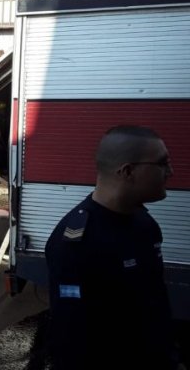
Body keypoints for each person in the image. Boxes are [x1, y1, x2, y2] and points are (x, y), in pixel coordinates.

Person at [45, 125, 183, 370]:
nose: (170, 172)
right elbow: (72, 340)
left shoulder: (145, 224)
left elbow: (155, 305)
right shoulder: (76, 244)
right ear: (128, 171)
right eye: (162, 164)